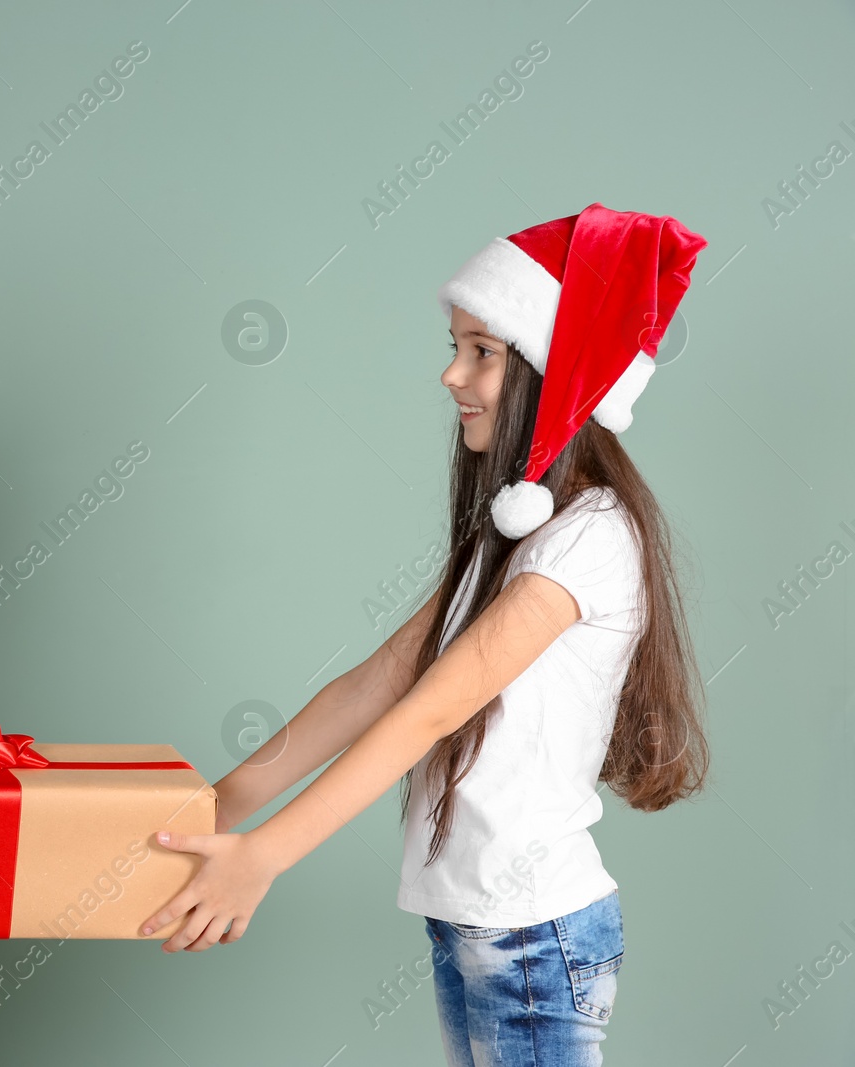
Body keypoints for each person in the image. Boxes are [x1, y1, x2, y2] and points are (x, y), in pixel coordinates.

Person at [142, 203, 711, 1066]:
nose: (452, 374)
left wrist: (262, 857)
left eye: (482, 351)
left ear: (553, 373)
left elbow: (428, 712)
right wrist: (213, 811)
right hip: (478, 925)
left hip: (534, 939)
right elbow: (376, 685)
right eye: (456, 345)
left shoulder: (589, 538)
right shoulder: (517, 530)